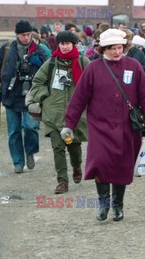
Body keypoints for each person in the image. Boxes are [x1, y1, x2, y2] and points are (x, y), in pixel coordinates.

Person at [62, 28, 145, 221]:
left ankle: (118, 205)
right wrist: (69, 124)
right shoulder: (93, 68)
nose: (117, 52)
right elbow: (78, 99)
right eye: (112, 48)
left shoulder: (134, 66)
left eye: (120, 47)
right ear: (103, 49)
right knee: (101, 165)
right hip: (100, 127)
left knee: (122, 167)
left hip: (126, 127)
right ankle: (103, 204)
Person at [29, 31, 90, 194]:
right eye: (61, 43)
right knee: (58, 148)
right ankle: (62, 182)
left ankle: (77, 166)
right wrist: (44, 97)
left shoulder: (84, 63)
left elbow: (95, 85)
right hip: (54, 114)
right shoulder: (50, 63)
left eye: (67, 43)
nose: (63, 47)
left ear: (74, 45)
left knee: (73, 146)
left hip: (75, 117)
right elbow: (37, 83)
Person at [0, 20, 47, 173]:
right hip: (11, 94)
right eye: (23, 35)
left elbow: (49, 69)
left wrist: (39, 63)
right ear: (17, 35)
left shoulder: (39, 50)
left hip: (31, 95)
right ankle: (18, 162)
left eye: (28, 34)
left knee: (30, 127)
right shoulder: (7, 49)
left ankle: (30, 152)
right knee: (13, 131)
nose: (27, 38)